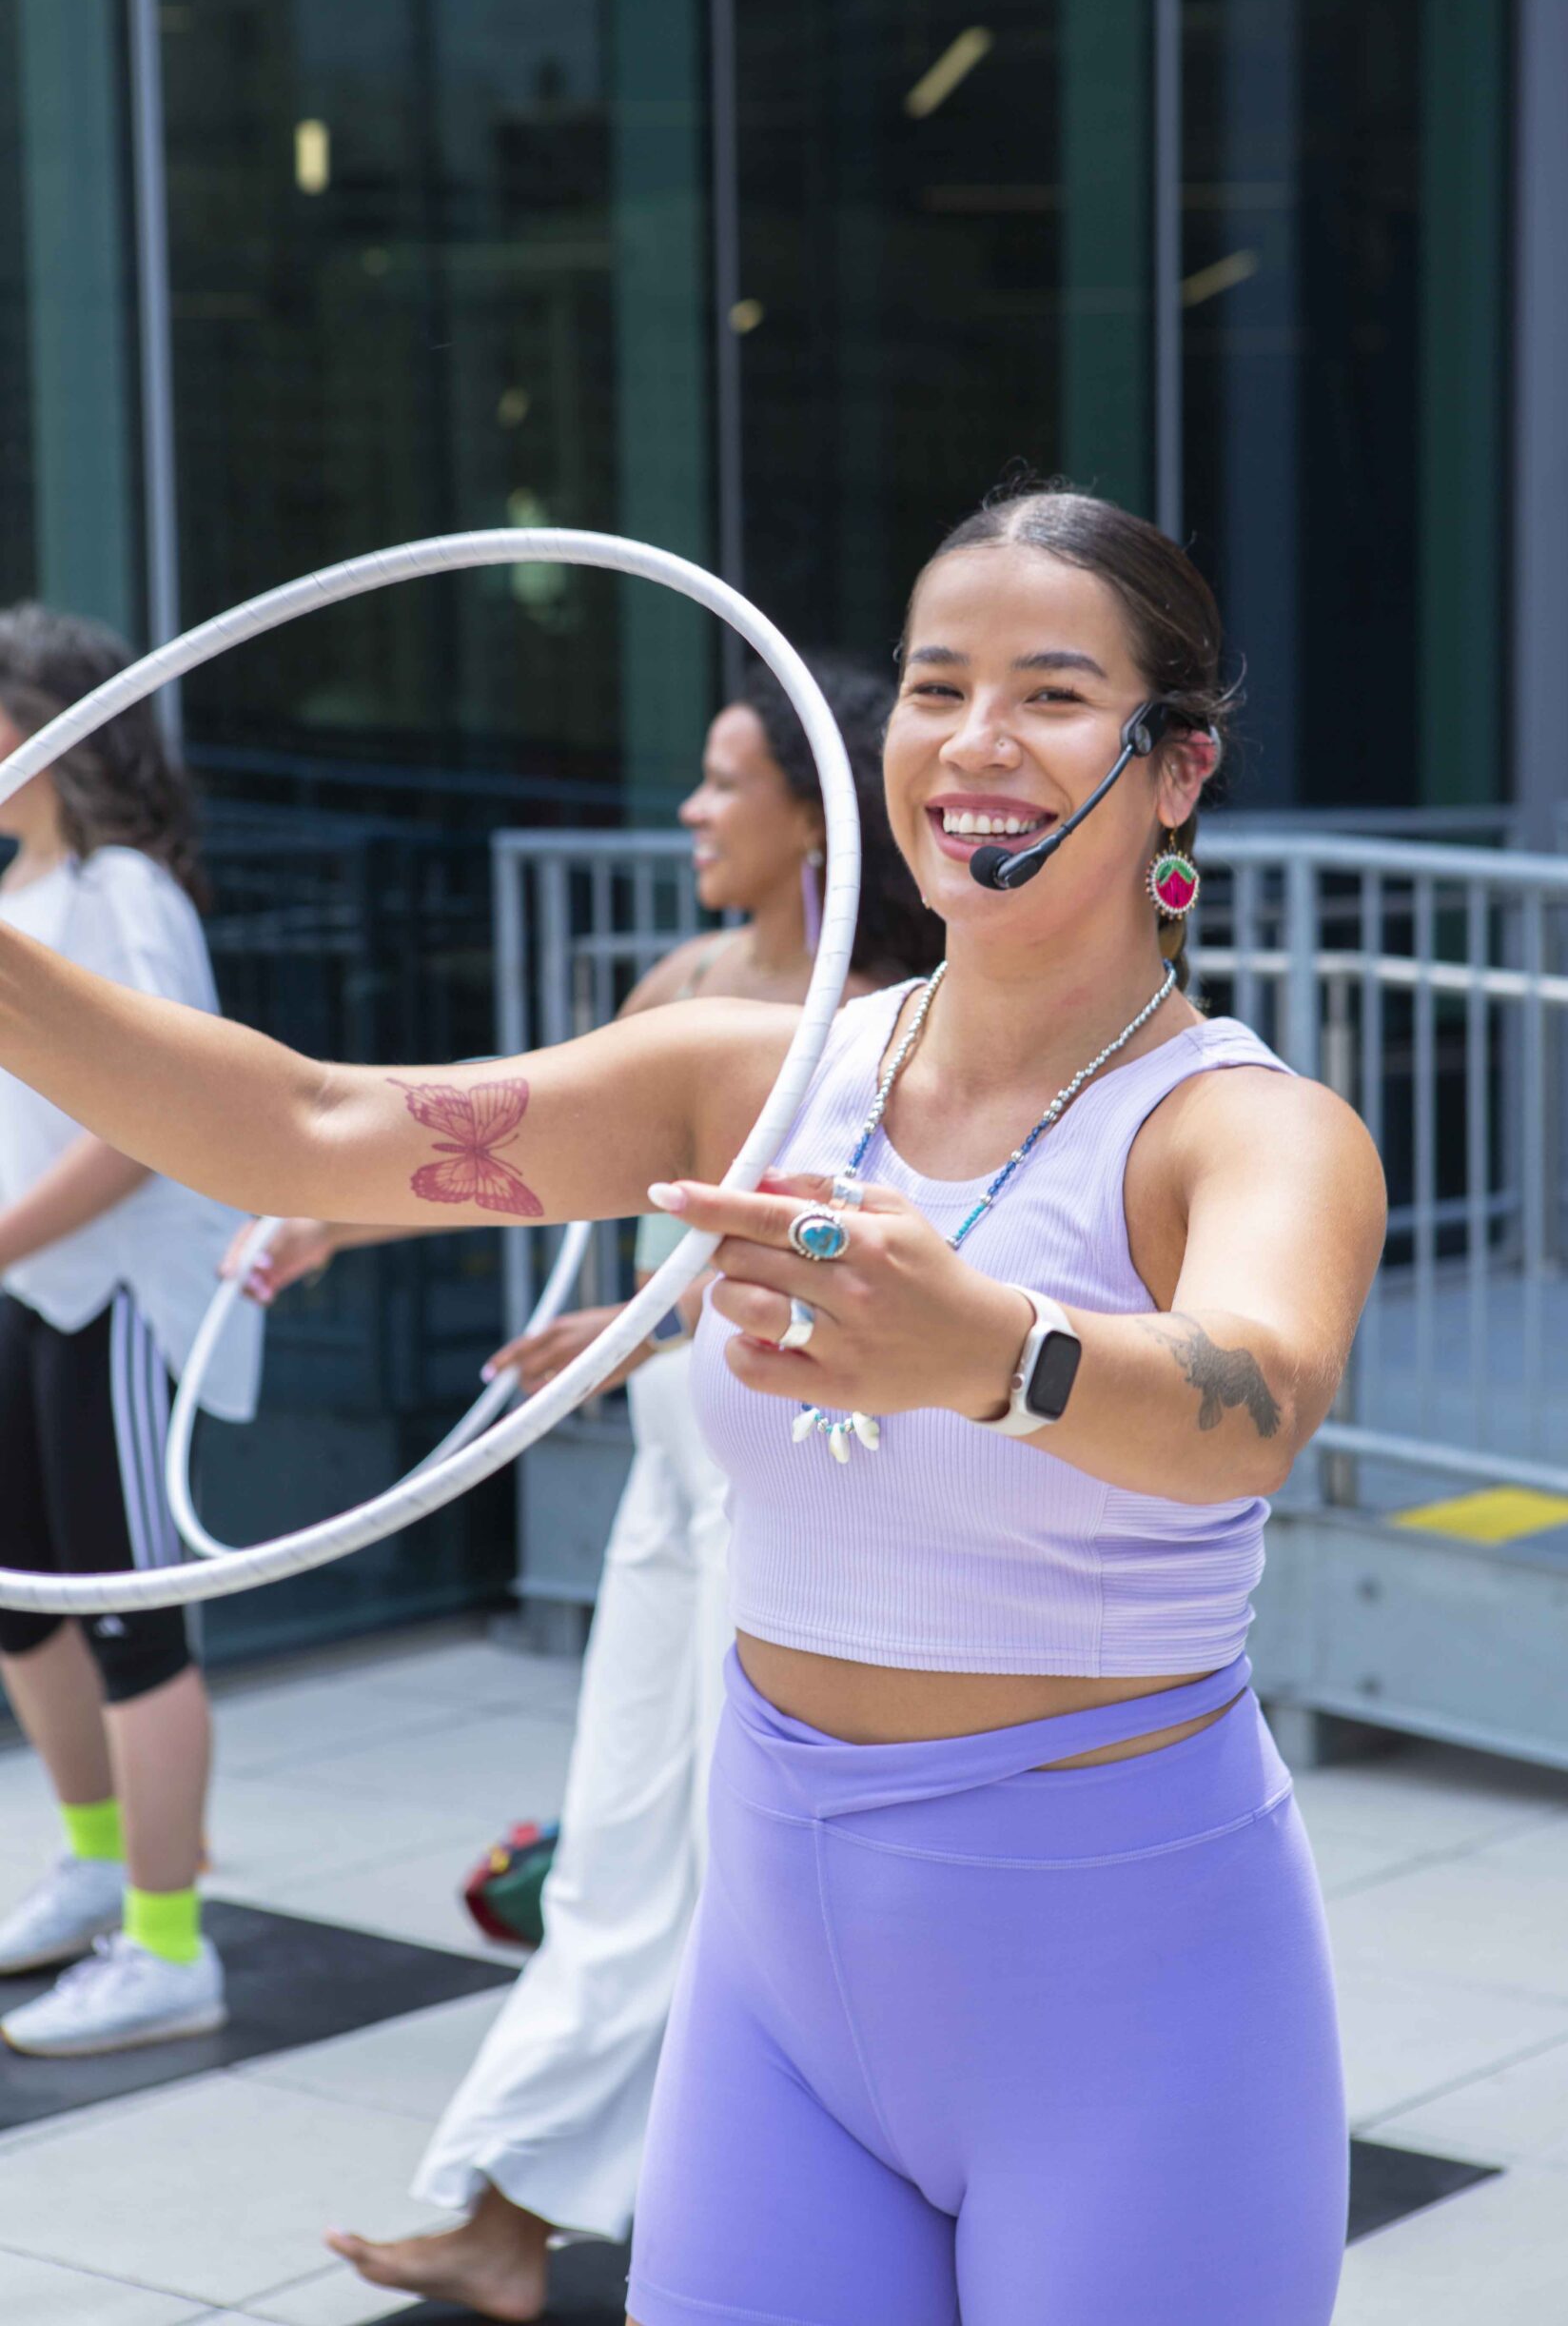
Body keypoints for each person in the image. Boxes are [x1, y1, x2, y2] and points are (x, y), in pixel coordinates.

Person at [0, 488, 1385, 2323]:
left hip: (1130, 1982)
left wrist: (993, 1350)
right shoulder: (757, 1073)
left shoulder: (1251, 1127)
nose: (975, 745)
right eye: (934, 686)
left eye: (1053, 696)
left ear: (1176, 768)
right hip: (781, 1982)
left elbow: (1254, 1401)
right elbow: (314, 1130)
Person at [225, 657, 939, 2321]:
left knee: (753, 1869)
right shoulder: (688, 989)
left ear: (806, 810)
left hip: (808, 1496)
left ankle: (773, 2211)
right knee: (620, 1843)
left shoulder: (893, 1028)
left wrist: (628, 1337)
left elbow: (838, 1285)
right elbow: (493, 1149)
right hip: (680, 1486)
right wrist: (326, 1215)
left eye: (721, 779)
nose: (692, 810)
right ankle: (509, 2214)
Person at [0, 603, 262, 2056]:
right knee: (27, 1607)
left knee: (134, 1626)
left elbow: (157, 1129)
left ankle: (170, 1945)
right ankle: (96, 1867)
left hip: (112, 1306)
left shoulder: (123, 893)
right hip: (32, 1294)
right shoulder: (28, 890)